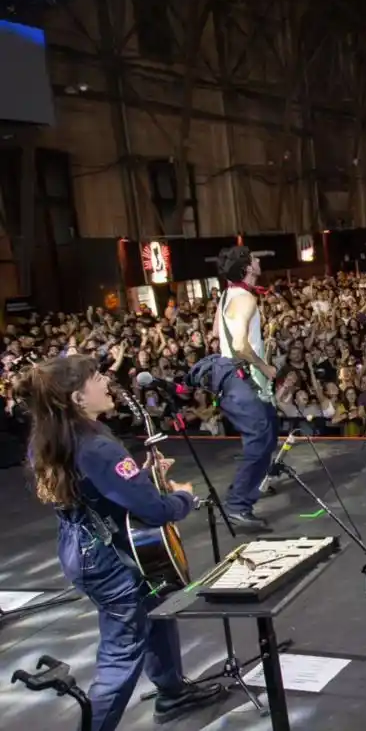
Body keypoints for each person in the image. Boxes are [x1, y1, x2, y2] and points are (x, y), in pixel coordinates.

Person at [19, 355, 227, 730]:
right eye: (97, 378)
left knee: (156, 610)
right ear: (78, 397)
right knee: (122, 650)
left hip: (81, 547)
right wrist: (182, 496)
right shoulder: (96, 445)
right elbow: (153, 508)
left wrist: (141, 477)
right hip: (110, 561)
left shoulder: (51, 437)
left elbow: (95, 492)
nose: (106, 383)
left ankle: (172, 692)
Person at [212, 245, 277, 532]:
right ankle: (238, 505)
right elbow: (238, 345)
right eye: (253, 258)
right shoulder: (245, 299)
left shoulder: (228, 294)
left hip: (237, 378)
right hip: (243, 379)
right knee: (259, 440)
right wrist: (265, 367)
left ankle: (256, 481)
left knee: (269, 430)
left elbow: (216, 331)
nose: (258, 260)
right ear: (247, 267)